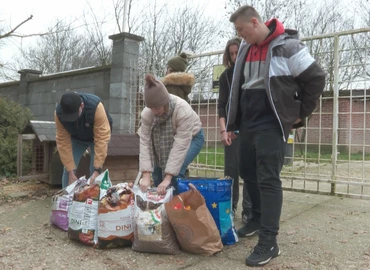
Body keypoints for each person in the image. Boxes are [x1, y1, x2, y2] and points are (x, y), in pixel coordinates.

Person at [227, 5, 326, 267]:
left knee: (268, 178)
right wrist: (232, 121)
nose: (240, 35)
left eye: (241, 29)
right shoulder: (246, 49)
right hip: (248, 119)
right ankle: (257, 219)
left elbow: (316, 77)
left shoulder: (288, 46)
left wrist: (300, 113)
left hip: (271, 121)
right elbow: (239, 85)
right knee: (248, 172)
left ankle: (269, 241)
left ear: (255, 23)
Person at [139, 74, 204, 195]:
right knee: (157, 175)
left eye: (157, 107)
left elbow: (180, 146)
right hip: (163, 141)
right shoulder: (147, 114)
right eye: (151, 108)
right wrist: (146, 175)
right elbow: (145, 143)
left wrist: (168, 178)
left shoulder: (183, 110)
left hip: (193, 137)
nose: (155, 111)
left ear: (165, 101)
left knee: (176, 174)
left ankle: (179, 205)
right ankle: (161, 209)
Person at [218, 37, 251, 221]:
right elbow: (221, 105)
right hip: (231, 130)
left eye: (237, 52)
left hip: (250, 129)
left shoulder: (251, 72)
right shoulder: (226, 77)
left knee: (248, 171)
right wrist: (223, 130)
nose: (234, 56)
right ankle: (230, 207)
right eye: (231, 54)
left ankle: (248, 210)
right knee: (231, 171)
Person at [55, 92, 112, 188]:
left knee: (95, 169)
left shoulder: (95, 107)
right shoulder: (59, 113)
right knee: (68, 169)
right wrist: (70, 171)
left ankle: (93, 198)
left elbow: (101, 139)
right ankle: (66, 197)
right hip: (77, 138)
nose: (71, 119)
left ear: (81, 105)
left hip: (96, 138)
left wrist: (97, 170)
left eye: (74, 115)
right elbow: (62, 141)